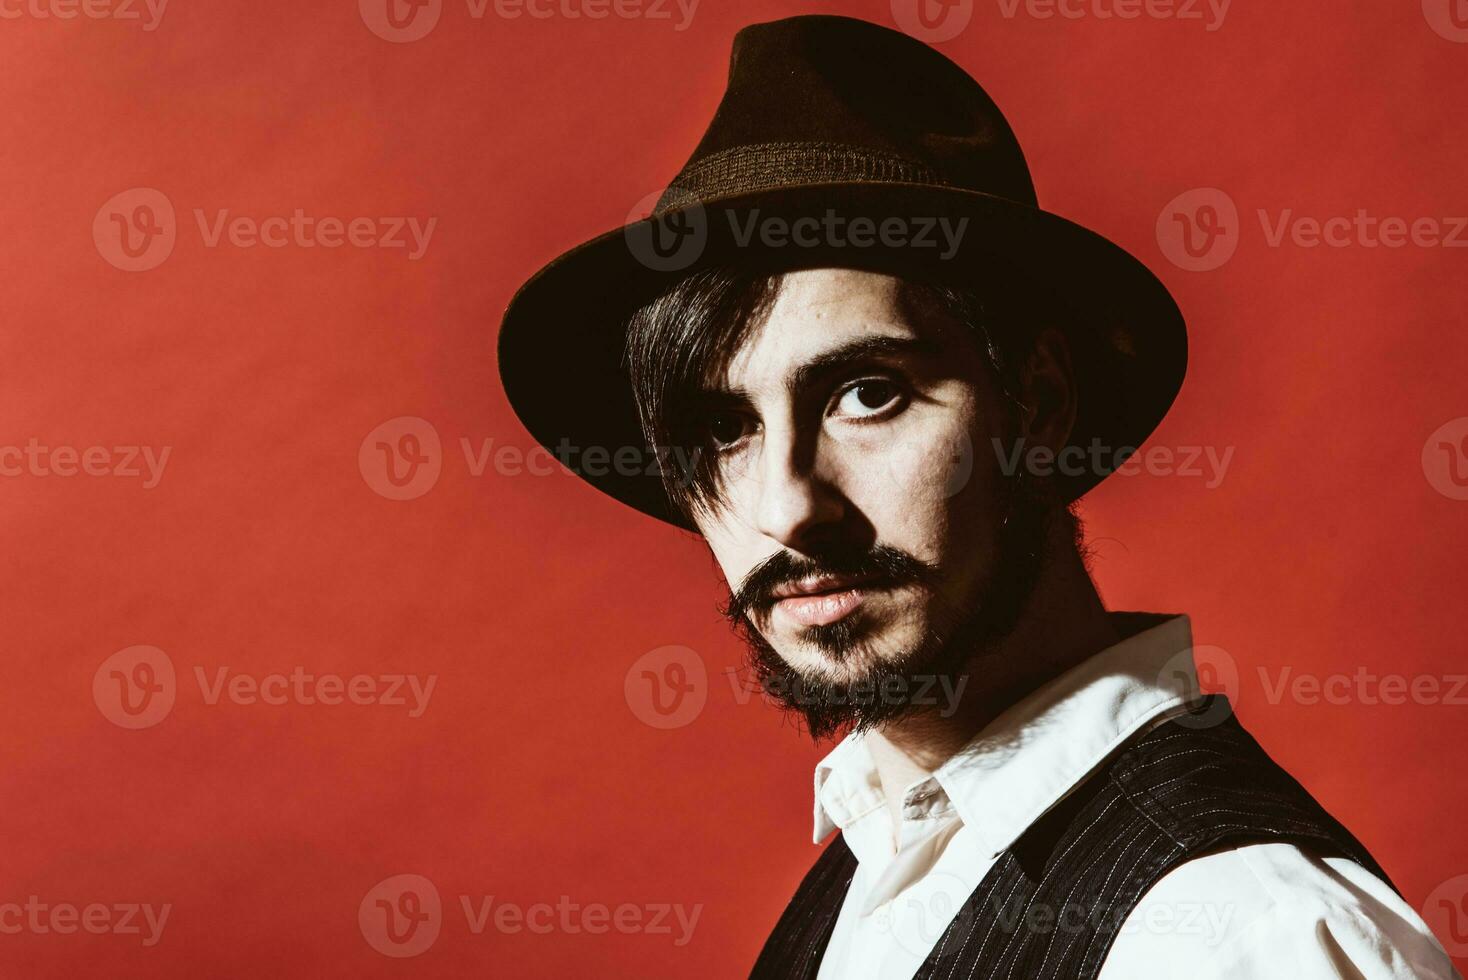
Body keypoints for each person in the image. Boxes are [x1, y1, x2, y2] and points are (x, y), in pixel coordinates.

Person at [497, 14, 1458, 979]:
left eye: (867, 395)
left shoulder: (1237, 931)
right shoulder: (877, 863)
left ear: (1036, 405)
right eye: (725, 429)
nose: (789, 510)